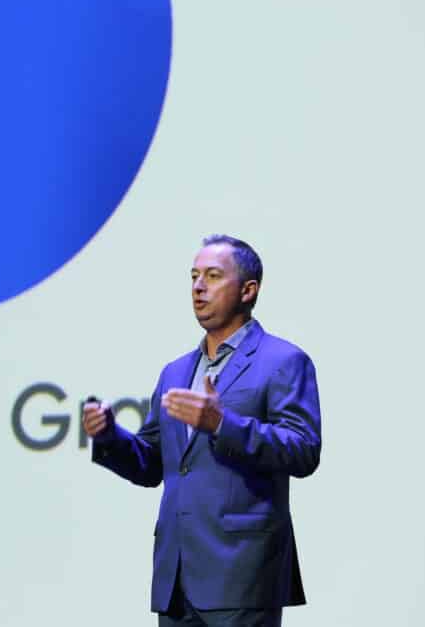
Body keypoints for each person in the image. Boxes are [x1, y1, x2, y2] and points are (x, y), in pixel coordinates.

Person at [83, 235, 322, 627]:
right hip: (176, 578)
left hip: (242, 573)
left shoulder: (283, 360)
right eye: (194, 276)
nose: (198, 286)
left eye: (212, 276)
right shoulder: (176, 371)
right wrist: (110, 437)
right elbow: (151, 464)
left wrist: (222, 424)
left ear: (248, 290)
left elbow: (302, 450)